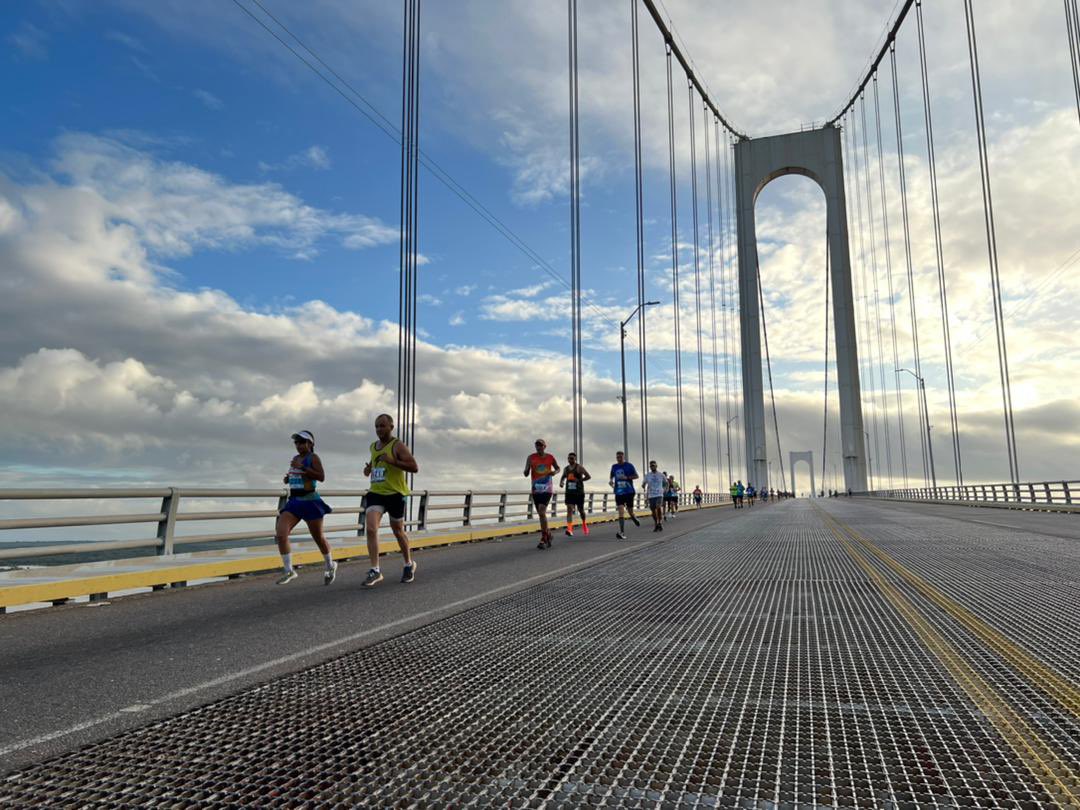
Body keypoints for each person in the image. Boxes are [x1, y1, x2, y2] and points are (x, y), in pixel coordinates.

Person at [362, 414, 420, 587]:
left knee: (398, 531)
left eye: (382, 426)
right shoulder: (373, 446)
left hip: (395, 494)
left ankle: (409, 563)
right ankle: (375, 570)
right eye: (377, 426)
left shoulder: (398, 445)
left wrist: (392, 461)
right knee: (371, 529)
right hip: (376, 493)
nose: (379, 429)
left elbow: (414, 467)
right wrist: (368, 469)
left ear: (391, 427)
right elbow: (374, 466)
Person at [275, 430, 337, 585]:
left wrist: (301, 467)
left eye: (302, 442)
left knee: (318, 537)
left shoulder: (313, 458)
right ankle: (289, 570)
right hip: (294, 502)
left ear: (310, 444)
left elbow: (321, 477)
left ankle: (330, 564)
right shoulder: (295, 458)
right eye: (296, 442)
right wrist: (289, 478)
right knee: (281, 534)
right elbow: (298, 475)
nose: (298, 445)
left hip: (310, 502)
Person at [525, 439, 559, 549]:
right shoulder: (531, 457)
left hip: (547, 488)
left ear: (545, 446)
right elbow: (526, 471)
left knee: (541, 511)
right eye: (537, 445)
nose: (538, 447)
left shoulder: (550, 457)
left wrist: (554, 472)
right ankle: (548, 534)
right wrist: (526, 472)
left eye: (540, 445)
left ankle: (544, 538)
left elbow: (558, 468)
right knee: (541, 514)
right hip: (536, 489)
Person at [608, 451, 640, 539]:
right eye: (617, 457)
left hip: (629, 491)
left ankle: (633, 517)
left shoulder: (629, 465)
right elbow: (611, 475)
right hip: (619, 492)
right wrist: (611, 481)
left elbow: (636, 476)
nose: (619, 459)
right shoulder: (614, 467)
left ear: (623, 457)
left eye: (620, 457)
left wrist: (627, 477)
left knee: (630, 511)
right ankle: (622, 532)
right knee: (621, 510)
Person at [559, 451, 591, 537]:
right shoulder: (566, 469)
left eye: (572, 458)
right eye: (569, 458)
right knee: (569, 509)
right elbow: (563, 477)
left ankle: (584, 524)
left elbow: (588, 476)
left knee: (581, 511)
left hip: (579, 493)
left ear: (575, 459)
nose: (570, 460)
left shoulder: (579, 467)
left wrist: (579, 480)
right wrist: (561, 482)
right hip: (569, 492)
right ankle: (569, 529)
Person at [643, 460, 667, 532]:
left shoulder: (661, 475)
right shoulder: (648, 475)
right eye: (651, 466)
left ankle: (660, 522)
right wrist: (643, 486)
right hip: (651, 495)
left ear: (656, 466)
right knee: (653, 510)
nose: (652, 466)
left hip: (659, 494)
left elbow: (666, 483)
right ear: (650, 467)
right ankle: (656, 524)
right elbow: (644, 483)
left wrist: (665, 489)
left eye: (653, 465)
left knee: (658, 507)